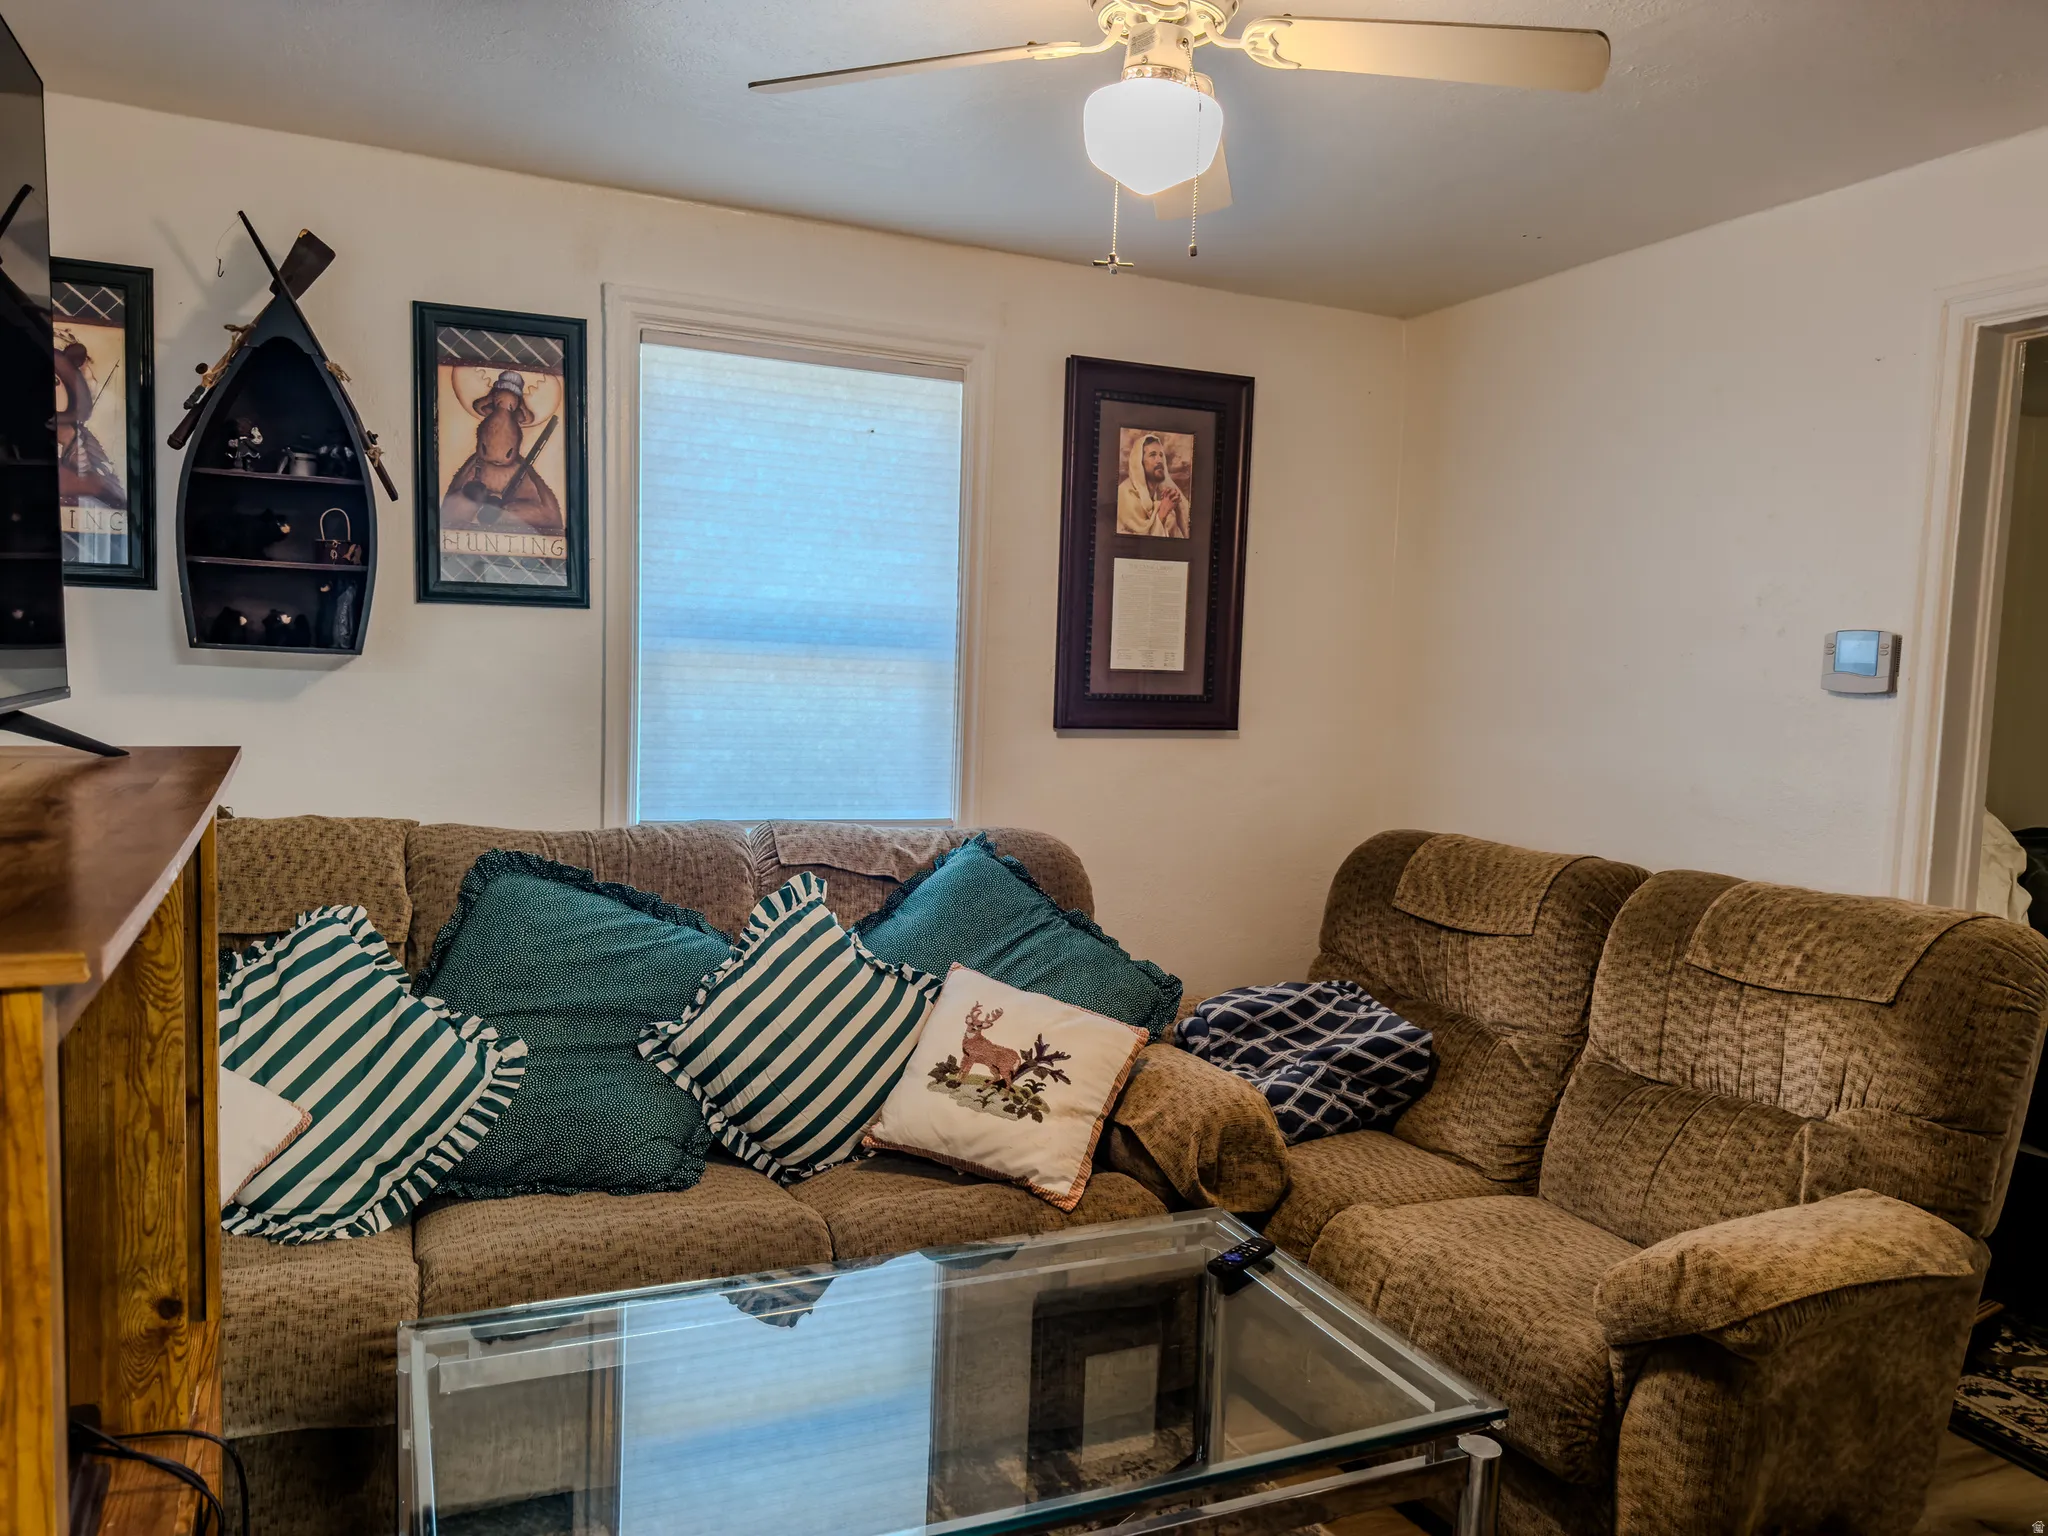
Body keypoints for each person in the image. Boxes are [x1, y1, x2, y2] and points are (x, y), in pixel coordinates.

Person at [1117, 432, 1190, 538]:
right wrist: (1162, 512)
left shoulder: (1161, 493)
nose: (1159, 460)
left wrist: (1176, 507)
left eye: (1161, 455)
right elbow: (1136, 544)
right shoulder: (1124, 495)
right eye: (1153, 455)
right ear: (1139, 463)